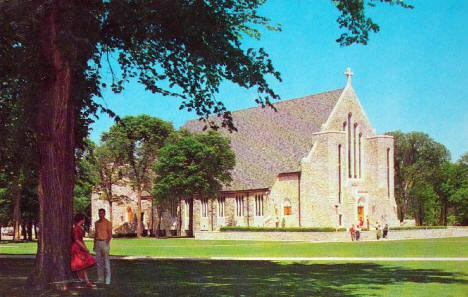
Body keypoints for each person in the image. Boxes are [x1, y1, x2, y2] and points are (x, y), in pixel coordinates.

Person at [71, 213, 96, 288]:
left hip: (80, 247)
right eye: (84, 219)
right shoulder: (76, 228)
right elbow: (77, 240)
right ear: (81, 219)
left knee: (83, 265)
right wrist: (84, 248)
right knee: (80, 264)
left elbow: (81, 240)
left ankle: (84, 280)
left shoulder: (79, 227)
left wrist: (85, 247)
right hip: (77, 248)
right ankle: (84, 281)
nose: (84, 220)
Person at [94, 208, 112, 285]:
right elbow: (95, 234)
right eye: (99, 213)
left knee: (106, 262)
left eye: (102, 213)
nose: (100, 215)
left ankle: (108, 278)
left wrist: (106, 243)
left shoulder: (108, 223)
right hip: (98, 242)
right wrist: (94, 244)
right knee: (99, 262)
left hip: (104, 242)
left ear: (104, 214)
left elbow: (110, 235)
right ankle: (100, 278)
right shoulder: (96, 223)